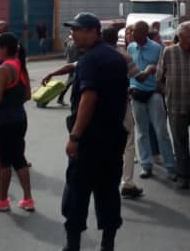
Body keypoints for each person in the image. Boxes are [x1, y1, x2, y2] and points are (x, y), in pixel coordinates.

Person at [61, 13, 129, 251]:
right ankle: (107, 244)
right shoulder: (116, 58)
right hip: (113, 137)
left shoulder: (90, 59)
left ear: (92, 31)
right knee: (108, 192)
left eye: (77, 30)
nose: (73, 34)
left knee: (76, 193)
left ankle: (73, 245)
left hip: (89, 140)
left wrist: (75, 137)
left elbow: (88, 98)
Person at [0, 32, 34, 213]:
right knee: (19, 158)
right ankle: (28, 198)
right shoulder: (20, 66)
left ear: (4, 49)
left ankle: (2, 199)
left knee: (3, 161)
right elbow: (27, 95)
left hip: (2, 120)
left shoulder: (3, 69)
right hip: (19, 117)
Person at [127, 21, 176, 180]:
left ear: (142, 33)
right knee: (141, 132)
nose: (131, 34)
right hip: (136, 93)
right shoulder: (131, 48)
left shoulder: (157, 48)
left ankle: (170, 166)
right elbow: (129, 71)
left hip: (153, 93)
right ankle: (146, 165)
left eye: (133, 31)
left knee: (161, 130)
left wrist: (159, 86)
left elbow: (163, 71)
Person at [158, 21, 190, 189]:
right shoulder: (168, 52)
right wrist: (167, 93)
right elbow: (159, 77)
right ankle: (183, 176)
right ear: (181, 36)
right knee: (180, 141)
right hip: (176, 105)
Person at [101, 26, 144, 200]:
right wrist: (149, 70)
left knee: (104, 142)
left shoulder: (95, 54)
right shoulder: (124, 56)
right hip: (120, 104)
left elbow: (75, 66)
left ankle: (104, 180)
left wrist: (54, 72)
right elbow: (138, 77)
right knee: (128, 142)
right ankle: (127, 182)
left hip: (99, 106)